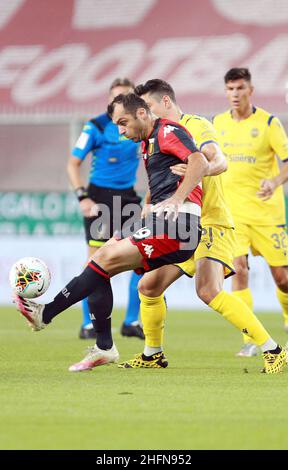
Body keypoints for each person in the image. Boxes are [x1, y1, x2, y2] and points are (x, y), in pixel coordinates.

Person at [14, 92, 207, 372]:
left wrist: (178, 199)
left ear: (142, 113)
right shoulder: (148, 142)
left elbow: (199, 161)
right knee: (99, 260)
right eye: (116, 124)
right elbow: (163, 178)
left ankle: (47, 313)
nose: (120, 130)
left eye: (123, 122)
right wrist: (150, 204)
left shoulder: (167, 130)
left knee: (104, 259)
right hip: (159, 220)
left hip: (180, 226)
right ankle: (104, 347)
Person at [118, 79, 287, 374]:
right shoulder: (156, 136)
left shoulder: (195, 125)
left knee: (208, 290)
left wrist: (200, 169)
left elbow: (220, 161)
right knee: (148, 285)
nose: (145, 112)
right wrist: (148, 205)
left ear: (166, 102)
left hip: (211, 221)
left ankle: (273, 350)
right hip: (181, 225)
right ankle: (152, 354)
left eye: (150, 106)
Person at [213, 67, 288, 357]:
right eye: (230, 89)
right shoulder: (218, 123)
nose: (235, 94)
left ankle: (285, 316)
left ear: (250, 91)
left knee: (282, 277)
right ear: (225, 92)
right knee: (239, 270)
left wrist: (275, 181)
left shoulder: (268, 123)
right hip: (232, 215)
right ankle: (251, 338)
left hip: (267, 214)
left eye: (240, 88)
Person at [67, 78, 144, 340]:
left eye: (126, 97)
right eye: (116, 97)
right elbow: (72, 164)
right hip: (99, 199)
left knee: (142, 259)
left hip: (129, 198)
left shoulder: (139, 126)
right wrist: (83, 198)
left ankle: (131, 321)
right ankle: (89, 324)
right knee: (96, 260)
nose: (120, 102)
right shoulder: (96, 126)